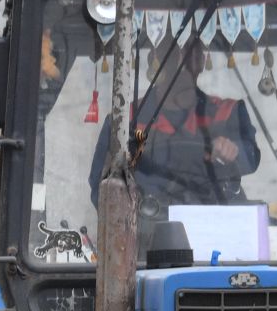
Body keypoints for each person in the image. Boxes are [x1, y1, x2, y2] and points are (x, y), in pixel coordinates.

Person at [90, 37, 260, 218]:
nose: (181, 60)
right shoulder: (127, 121)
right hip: (144, 232)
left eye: (190, 50)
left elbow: (250, 158)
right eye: (171, 51)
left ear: (202, 60)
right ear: (152, 60)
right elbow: (102, 192)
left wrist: (231, 152)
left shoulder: (226, 113)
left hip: (214, 229)